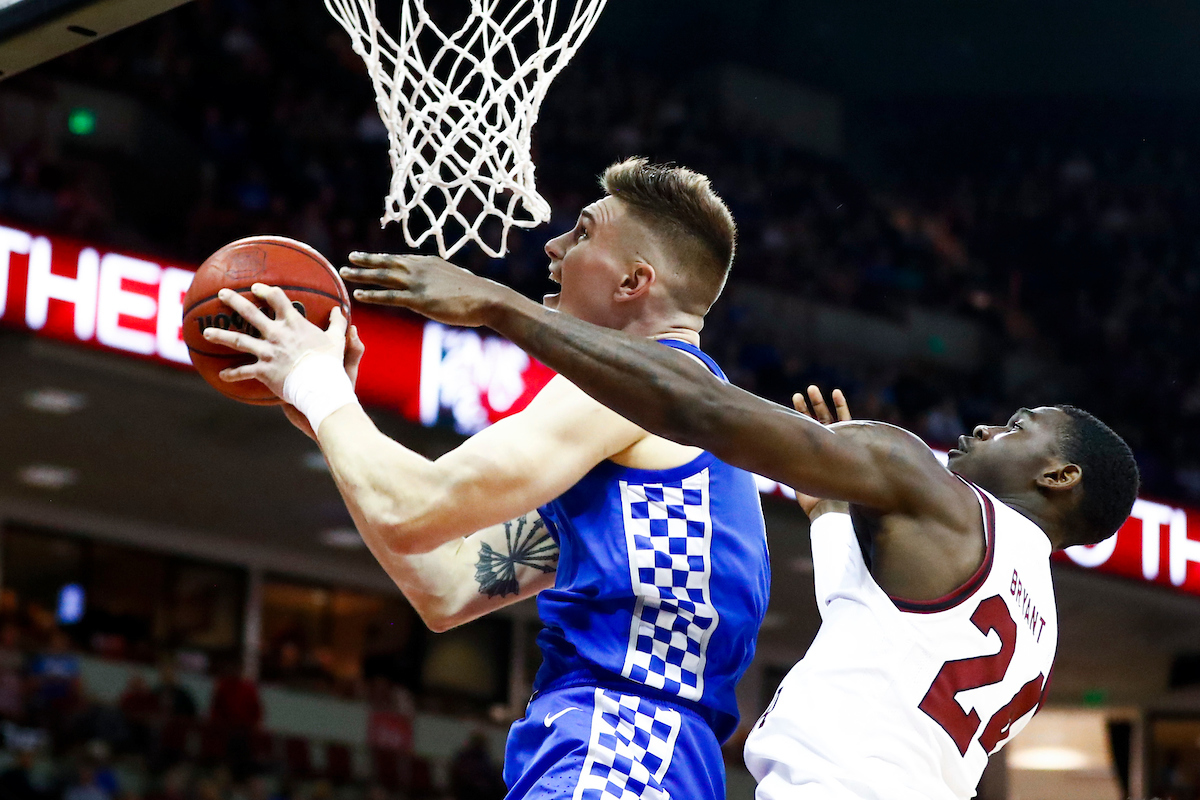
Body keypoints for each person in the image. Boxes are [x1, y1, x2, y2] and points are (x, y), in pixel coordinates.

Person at [330, 251, 1141, 800]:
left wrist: (501, 307)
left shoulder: (924, 480)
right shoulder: (1036, 626)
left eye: (1018, 425)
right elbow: (874, 633)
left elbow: (699, 406)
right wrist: (829, 511)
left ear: (1059, 476)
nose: (985, 430)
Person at [202, 159, 771, 800]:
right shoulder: (655, 452)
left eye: (582, 234)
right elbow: (444, 586)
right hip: (653, 757)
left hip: (619, 751)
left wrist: (317, 382)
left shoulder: (636, 387)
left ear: (635, 280)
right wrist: (331, 418)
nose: (553, 247)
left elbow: (414, 509)